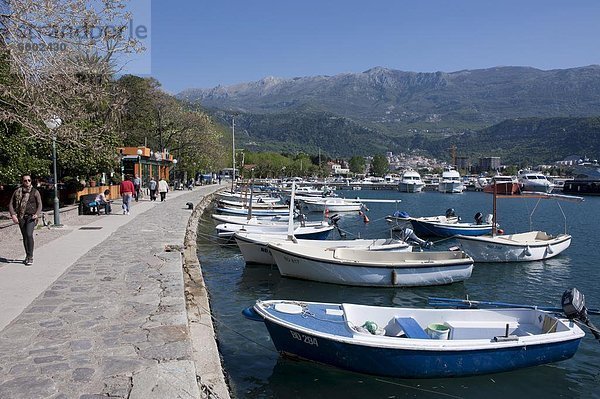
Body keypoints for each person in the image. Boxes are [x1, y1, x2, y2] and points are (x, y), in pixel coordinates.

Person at [8, 174, 43, 266]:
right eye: (25, 180)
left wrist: (37, 214)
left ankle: (30, 256)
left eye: (29, 180)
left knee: (29, 234)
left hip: (31, 217)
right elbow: (11, 204)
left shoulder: (35, 192)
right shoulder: (17, 191)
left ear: (31, 181)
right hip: (21, 217)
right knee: (24, 236)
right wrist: (13, 215)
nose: (27, 182)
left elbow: (39, 204)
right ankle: (27, 255)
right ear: (22, 182)